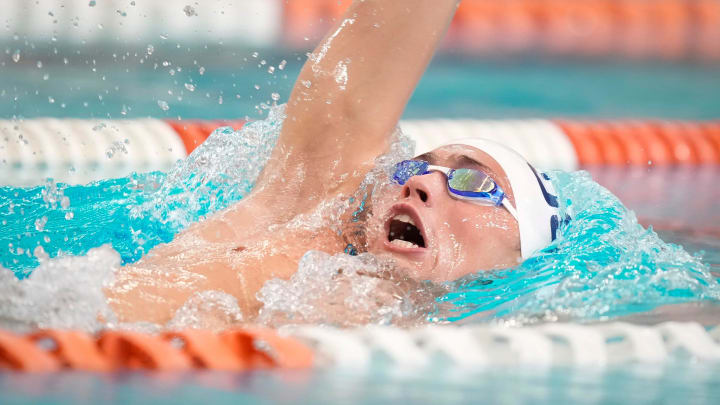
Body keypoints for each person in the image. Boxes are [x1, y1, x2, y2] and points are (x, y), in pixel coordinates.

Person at [106, 0, 558, 325]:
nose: (420, 184)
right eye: (416, 168)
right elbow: (347, 104)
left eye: (472, 181)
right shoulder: (309, 224)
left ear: (519, 258)